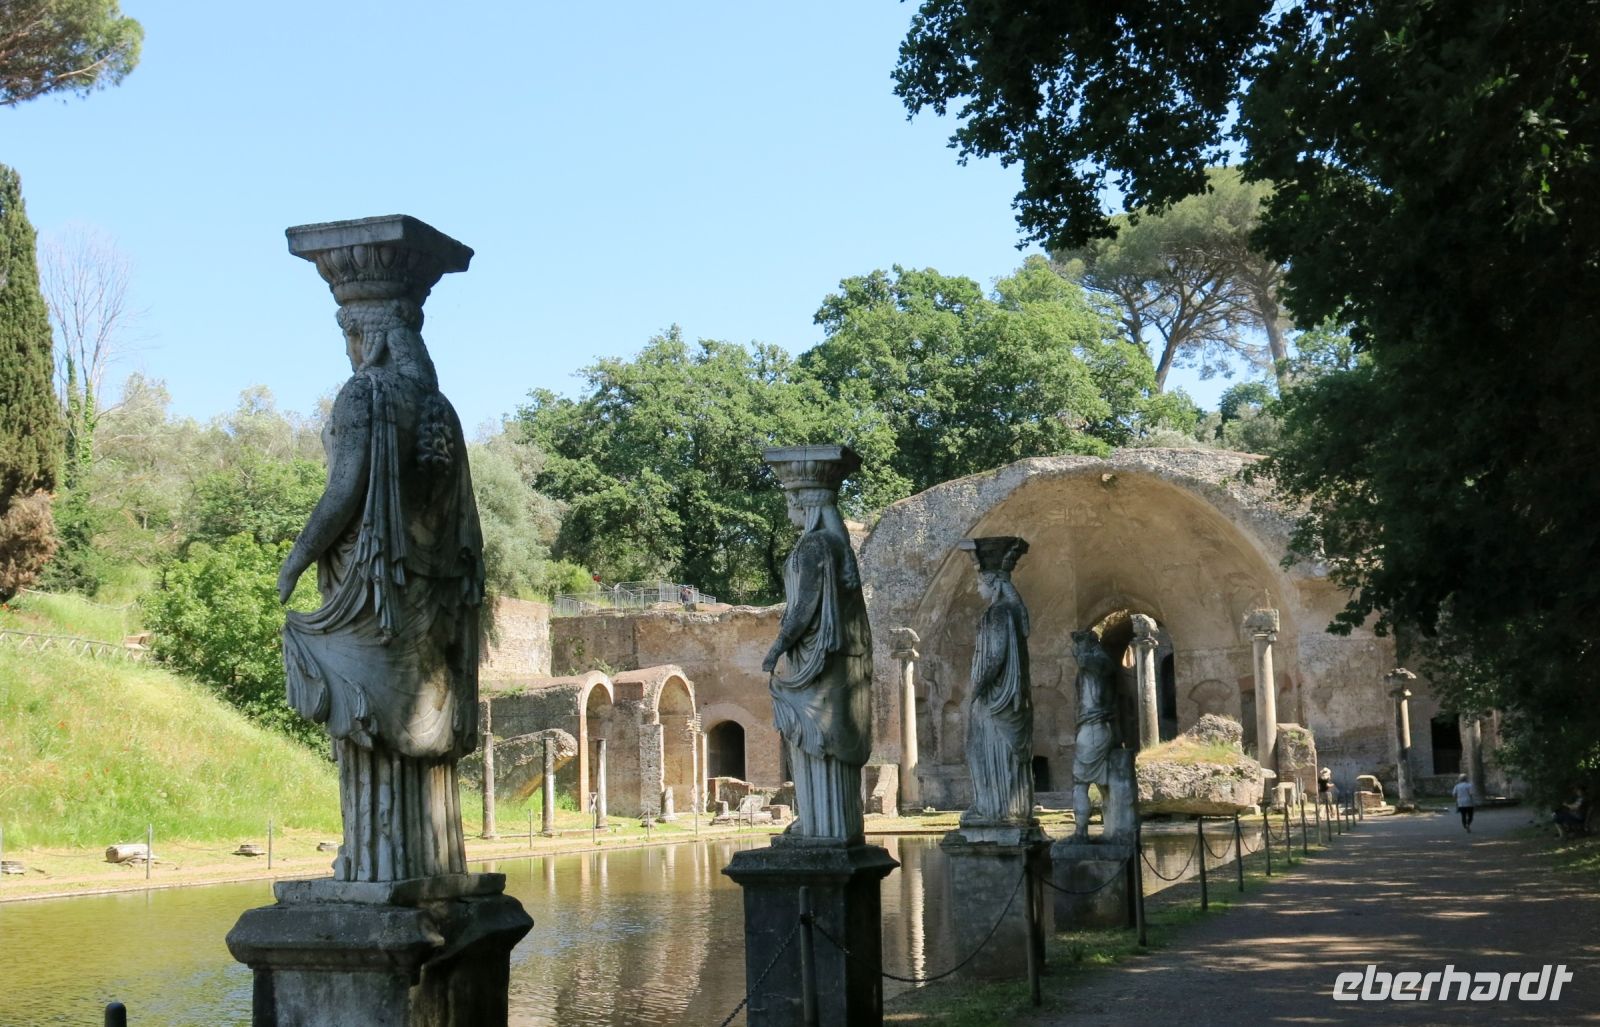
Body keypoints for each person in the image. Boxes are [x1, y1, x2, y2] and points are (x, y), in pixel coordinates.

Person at [277, 293, 483, 883]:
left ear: (370, 337)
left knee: (366, 731)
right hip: (430, 597)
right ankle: (429, 863)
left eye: (350, 339)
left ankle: (374, 866)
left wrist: (296, 559)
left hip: (373, 596)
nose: (349, 353)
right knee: (422, 735)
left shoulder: (365, 394)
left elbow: (344, 492)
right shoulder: (441, 407)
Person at [761, 446, 872, 842]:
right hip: (833, 663)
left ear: (804, 504)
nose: (789, 508)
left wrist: (775, 648)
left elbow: (804, 607)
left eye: (791, 501)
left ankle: (818, 826)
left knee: (810, 742)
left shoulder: (813, 547)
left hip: (816, 664)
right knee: (823, 744)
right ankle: (833, 823)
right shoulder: (838, 545)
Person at [960, 537, 1033, 827]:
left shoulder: (998, 612)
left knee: (980, 749)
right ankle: (1006, 808)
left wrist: (975, 691)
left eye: (980, 583)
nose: (977, 588)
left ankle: (994, 809)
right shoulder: (1012, 611)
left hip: (995, 700)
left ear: (992, 583)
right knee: (996, 753)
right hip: (1008, 699)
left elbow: (995, 658)